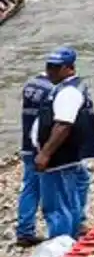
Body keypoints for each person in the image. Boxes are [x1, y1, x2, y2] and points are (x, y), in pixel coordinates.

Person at [30, 47, 94, 240]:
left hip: (59, 158)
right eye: (49, 67)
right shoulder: (69, 87)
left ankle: (60, 246)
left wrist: (45, 154)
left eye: (56, 68)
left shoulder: (68, 92)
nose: (50, 71)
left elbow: (63, 125)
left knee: (57, 206)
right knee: (69, 200)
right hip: (67, 156)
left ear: (70, 69)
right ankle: (71, 238)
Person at [15, 70, 54, 246]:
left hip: (27, 145)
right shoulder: (52, 89)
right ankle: (59, 231)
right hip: (41, 147)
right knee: (54, 189)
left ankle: (24, 231)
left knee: (30, 188)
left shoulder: (30, 85)